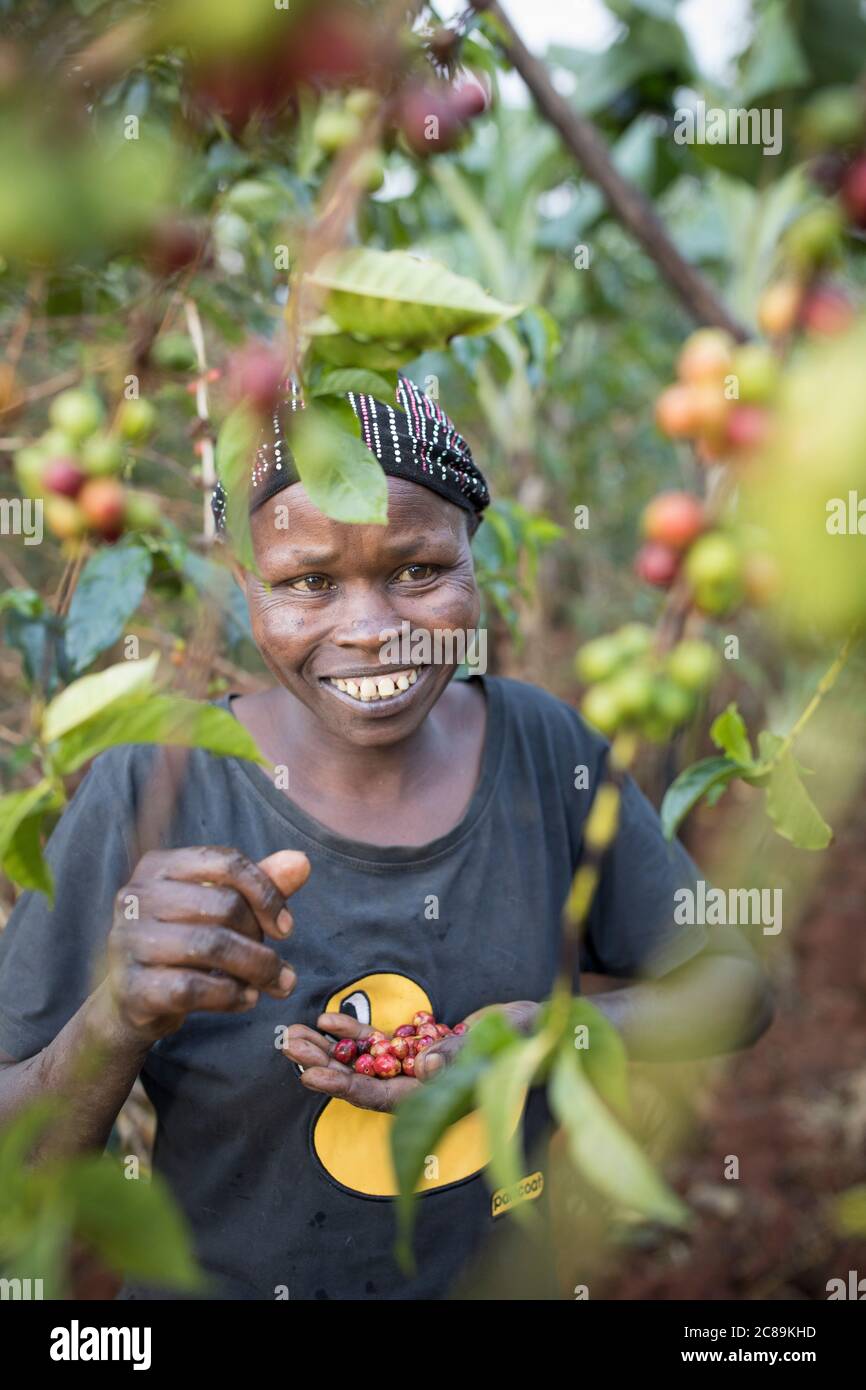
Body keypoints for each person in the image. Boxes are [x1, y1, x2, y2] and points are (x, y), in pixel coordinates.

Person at [0, 374, 772, 1300]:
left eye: (418, 570)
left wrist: (544, 1036)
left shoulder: (544, 749)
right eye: (308, 582)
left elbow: (734, 989)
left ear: (472, 555)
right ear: (244, 585)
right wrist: (114, 1018)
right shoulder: (152, 783)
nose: (372, 631)